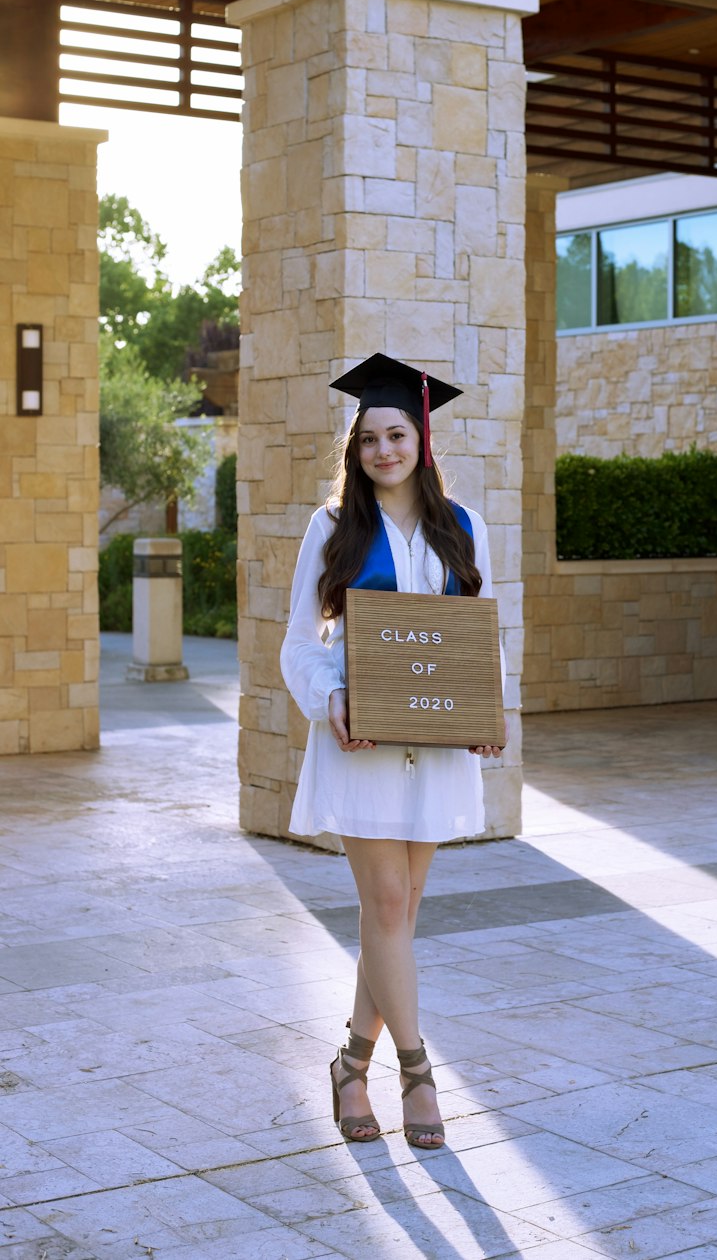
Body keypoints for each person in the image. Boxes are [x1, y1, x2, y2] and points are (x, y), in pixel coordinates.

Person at [280, 353, 505, 1151]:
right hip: (360, 740)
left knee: (399, 918)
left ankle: (349, 1064)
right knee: (384, 907)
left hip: (436, 746)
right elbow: (297, 644)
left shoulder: (465, 526)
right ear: (357, 446)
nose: (383, 450)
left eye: (397, 434)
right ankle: (418, 1075)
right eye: (370, 437)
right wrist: (329, 697)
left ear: (422, 438)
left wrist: (486, 711)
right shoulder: (335, 526)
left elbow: (481, 636)